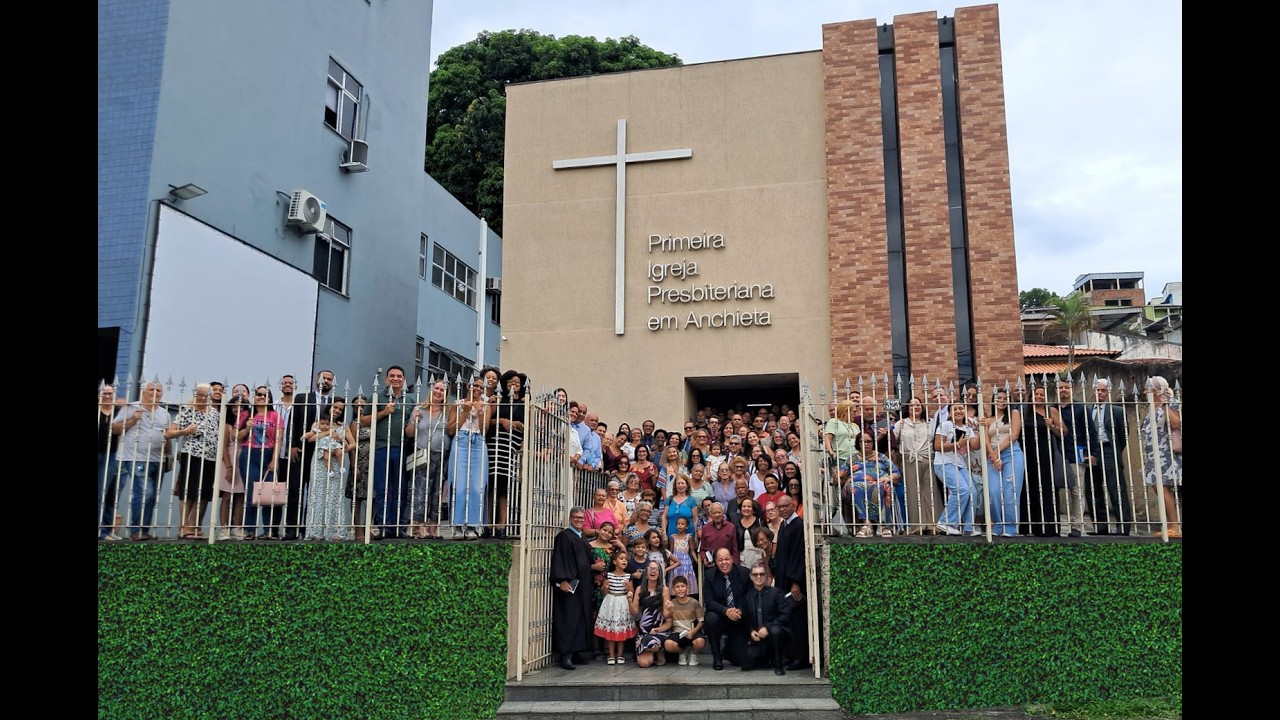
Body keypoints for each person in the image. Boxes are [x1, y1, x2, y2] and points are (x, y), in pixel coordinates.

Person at [113, 381, 173, 541]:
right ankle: (136, 530)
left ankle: (144, 530)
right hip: (136, 458)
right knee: (145, 492)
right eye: (152, 389)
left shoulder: (165, 414)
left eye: (158, 391)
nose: (155, 393)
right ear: (144, 392)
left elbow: (167, 436)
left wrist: (169, 455)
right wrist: (133, 419)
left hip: (157, 459)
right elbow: (115, 429)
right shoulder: (131, 408)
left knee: (152, 497)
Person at [362, 366, 413, 540]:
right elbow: (364, 421)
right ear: (386, 379)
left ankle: (397, 527)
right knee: (382, 488)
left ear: (403, 380)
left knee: (401, 489)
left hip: (402, 448)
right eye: (392, 376)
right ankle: (383, 525)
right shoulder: (376, 397)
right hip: (381, 447)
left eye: (399, 376)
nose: (395, 379)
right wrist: (384, 412)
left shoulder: (410, 400)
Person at [165, 383, 222, 539]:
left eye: (206, 395)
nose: (203, 398)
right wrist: (186, 431)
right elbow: (169, 433)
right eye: (200, 395)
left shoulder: (215, 413)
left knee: (204, 493)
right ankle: (184, 527)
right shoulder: (187, 411)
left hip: (210, 457)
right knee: (188, 491)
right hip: (192, 455)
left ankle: (194, 526)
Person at [284, 370, 335, 540]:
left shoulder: (334, 402)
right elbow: (293, 422)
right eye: (323, 378)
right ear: (316, 380)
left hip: (322, 452)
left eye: (329, 379)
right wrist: (292, 445)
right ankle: (292, 528)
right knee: (296, 489)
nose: (326, 381)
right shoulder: (302, 398)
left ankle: (309, 529)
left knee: (315, 492)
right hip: (302, 449)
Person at [551, 507, 601, 670]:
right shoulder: (564, 537)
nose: (579, 520)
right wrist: (562, 580)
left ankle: (577, 651)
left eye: (581, 518)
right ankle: (565, 654)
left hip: (583, 585)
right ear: (570, 518)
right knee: (569, 618)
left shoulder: (581, 537)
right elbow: (561, 560)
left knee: (581, 618)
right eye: (576, 517)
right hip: (570, 585)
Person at [448, 376, 492, 540]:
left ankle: (472, 525)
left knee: (476, 485)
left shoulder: (486, 405)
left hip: (478, 441)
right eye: (475, 386)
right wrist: (466, 411)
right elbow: (451, 429)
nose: (478, 389)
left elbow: (484, 430)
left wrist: (479, 412)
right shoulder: (458, 404)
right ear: (468, 386)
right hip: (461, 440)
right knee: (459, 484)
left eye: (481, 387)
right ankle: (458, 525)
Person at [1087, 378, 1132, 536]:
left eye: (1103, 390)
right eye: (1098, 390)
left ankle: (1123, 527)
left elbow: (1123, 435)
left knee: (1116, 488)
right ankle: (1100, 527)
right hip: (1091, 452)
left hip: (1108, 450)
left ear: (1108, 392)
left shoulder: (1117, 411)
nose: (1100, 393)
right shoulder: (1087, 410)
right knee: (1093, 489)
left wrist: (1114, 450)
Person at [236, 386, 283, 540]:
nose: (262, 397)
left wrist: (274, 459)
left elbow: (279, 439)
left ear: (269, 398)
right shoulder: (246, 415)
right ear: (254, 397)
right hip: (249, 454)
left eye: (265, 395)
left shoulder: (275, 415)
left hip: (268, 453)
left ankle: (268, 530)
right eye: (259, 394)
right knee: (251, 492)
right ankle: (249, 530)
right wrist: (246, 428)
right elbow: (236, 436)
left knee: (269, 494)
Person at [406, 381, 451, 539]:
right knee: (420, 490)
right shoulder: (419, 409)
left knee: (437, 492)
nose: (438, 392)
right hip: (423, 454)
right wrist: (414, 420)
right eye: (436, 388)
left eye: (442, 390)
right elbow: (409, 433)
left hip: (442, 455)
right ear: (431, 390)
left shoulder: (448, 412)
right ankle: (420, 526)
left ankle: (433, 527)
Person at [1054, 377, 1096, 537]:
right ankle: (1054, 525)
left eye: (1066, 387)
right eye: (1060, 388)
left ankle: (1077, 526)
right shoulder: (1052, 408)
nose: (1063, 390)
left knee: (1077, 491)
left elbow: (1091, 431)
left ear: (1071, 389)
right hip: (1056, 454)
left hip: (1076, 454)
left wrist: (1093, 453)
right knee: (1054, 490)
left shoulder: (1080, 408)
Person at [893, 396, 941, 535]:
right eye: (912, 405)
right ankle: (917, 525)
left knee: (931, 491)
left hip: (927, 459)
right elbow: (893, 440)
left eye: (918, 405)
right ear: (907, 409)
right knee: (913, 492)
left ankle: (933, 524)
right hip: (909, 460)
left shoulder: (930, 423)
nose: (916, 407)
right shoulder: (901, 424)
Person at [486, 370, 526, 538]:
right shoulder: (498, 400)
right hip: (495, 445)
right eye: (510, 381)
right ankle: (489, 525)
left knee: (505, 488)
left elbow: (528, 427)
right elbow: (487, 421)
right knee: (491, 486)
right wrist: (502, 421)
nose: (513, 384)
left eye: (516, 382)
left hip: (511, 448)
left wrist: (517, 424)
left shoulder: (524, 404)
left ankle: (502, 525)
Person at [981, 389, 1025, 538]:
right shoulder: (989, 420)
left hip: (1011, 453)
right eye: (998, 398)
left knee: (1010, 491)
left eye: (1005, 398)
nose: (1001, 401)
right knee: (993, 492)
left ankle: (1010, 527)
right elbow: (986, 439)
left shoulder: (1014, 414)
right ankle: (998, 524)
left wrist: (997, 452)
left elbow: (1014, 435)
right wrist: (993, 456)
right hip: (992, 456)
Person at [1142, 376, 1182, 538]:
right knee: (1158, 487)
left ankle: (1175, 526)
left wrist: (1165, 403)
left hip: (1166, 454)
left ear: (1157, 391)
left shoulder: (1171, 403)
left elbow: (1176, 423)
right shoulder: (1152, 407)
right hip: (1153, 455)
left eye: (1148, 389)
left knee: (1163, 487)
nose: (1145, 392)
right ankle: (1170, 525)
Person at [1021, 385, 1063, 538]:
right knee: (1029, 488)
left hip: (1046, 454)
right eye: (1036, 394)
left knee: (1047, 488)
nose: (1039, 397)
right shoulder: (1024, 412)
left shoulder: (1051, 411)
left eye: (1042, 394)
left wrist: (1052, 426)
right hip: (1028, 455)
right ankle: (1030, 527)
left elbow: (1063, 431)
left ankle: (1050, 527)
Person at [773, 495, 809, 670]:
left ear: (793, 506)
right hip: (782, 581)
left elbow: (798, 555)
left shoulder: (798, 526)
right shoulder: (783, 525)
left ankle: (801, 658)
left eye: (785, 506)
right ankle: (790, 654)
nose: (782, 510)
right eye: (779, 507)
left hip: (794, 584)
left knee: (797, 621)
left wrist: (796, 582)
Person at [934, 402, 980, 536]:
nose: (958, 411)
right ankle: (946, 522)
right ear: (949, 413)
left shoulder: (968, 429)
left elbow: (975, 445)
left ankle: (968, 527)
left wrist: (981, 429)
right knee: (961, 490)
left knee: (973, 492)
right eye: (955, 409)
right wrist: (958, 444)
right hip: (944, 463)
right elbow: (937, 446)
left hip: (960, 464)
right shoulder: (945, 425)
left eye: (961, 408)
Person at [304, 410, 349, 541]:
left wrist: (339, 449)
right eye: (335, 407)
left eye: (340, 409)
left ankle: (334, 531)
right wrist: (328, 433)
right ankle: (316, 531)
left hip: (336, 463)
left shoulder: (343, 426)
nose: (337, 410)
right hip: (320, 461)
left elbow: (351, 443)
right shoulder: (317, 424)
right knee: (318, 494)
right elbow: (310, 439)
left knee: (334, 495)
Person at [703, 547, 751, 670]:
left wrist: (740, 609)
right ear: (716, 561)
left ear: (732, 559)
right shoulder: (709, 575)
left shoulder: (744, 573)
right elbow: (709, 602)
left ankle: (728, 650)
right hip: (720, 616)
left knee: (739, 660)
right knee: (710, 619)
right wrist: (726, 611)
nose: (724, 562)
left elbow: (749, 597)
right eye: (720, 560)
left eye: (726, 559)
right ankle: (717, 658)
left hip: (739, 618)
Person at [846, 433, 902, 538]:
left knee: (882, 487)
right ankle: (866, 524)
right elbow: (841, 474)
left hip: (879, 482)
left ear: (873, 443)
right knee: (856, 488)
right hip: (856, 483)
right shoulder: (852, 458)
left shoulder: (881, 457)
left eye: (869, 441)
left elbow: (896, 473)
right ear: (858, 443)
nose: (866, 444)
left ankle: (883, 525)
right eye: (863, 442)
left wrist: (888, 478)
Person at [743, 562, 792, 675]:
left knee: (775, 631)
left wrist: (768, 628)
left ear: (766, 576)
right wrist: (751, 631)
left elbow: (785, 615)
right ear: (751, 577)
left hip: (777, 634)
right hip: (758, 637)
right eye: (755, 574)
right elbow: (746, 618)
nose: (758, 577)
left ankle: (779, 666)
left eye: (761, 574)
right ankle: (766, 659)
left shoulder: (776, 593)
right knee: (746, 664)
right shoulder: (748, 596)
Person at [217, 383, 251, 541]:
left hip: (244, 461)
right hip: (230, 461)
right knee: (227, 496)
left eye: (241, 407)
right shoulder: (227, 426)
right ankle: (224, 529)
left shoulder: (248, 424)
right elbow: (223, 447)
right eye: (235, 407)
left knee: (240, 496)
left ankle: (237, 528)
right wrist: (229, 466)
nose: (238, 410)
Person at [595, 550, 637, 665]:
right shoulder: (609, 575)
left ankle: (620, 655)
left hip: (623, 603)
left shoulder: (628, 576)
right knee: (611, 629)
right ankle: (611, 655)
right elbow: (603, 592)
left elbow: (632, 591)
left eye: (625, 559)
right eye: (621, 559)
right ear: (614, 562)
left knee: (620, 629)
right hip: (611, 603)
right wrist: (605, 586)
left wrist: (628, 588)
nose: (624, 561)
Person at [824, 400, 860, 529]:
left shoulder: (855, 426)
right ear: (845, 411)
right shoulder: (833, 422)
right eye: (853, 411)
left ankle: (858, 522)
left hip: (856, 460)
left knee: (855, 490)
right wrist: (831, 452)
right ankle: (849, 524)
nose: (855, 413)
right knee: (843, 492)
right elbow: (827, 438)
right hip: (841, 459)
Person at [630, 560, 672, 668]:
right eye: (651, 569)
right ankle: (651, 653)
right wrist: (629, 601)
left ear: (659, 573)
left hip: (659, 629)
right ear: (646, 572)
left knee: (652, 644)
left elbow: (667, 616)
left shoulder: (664, 589)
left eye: (656, 569)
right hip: (644, 631)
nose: (653, 571)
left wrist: (671, 609)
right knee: (643, 664)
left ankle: (659, 651)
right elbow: (634, 613)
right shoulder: (639, 589)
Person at [345, 394, 373, 541]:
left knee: (373, 496)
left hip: (373, 463)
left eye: (363, 406)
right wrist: (354, 466)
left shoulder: (373, 421)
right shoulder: (355, 424)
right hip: (360, 463)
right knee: (357, 496)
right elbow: (352, 447)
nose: (360, 408)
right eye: (357, 406)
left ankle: (369, 526)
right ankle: (358, 529)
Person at [98, 384, 123, 541]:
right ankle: (101, 531)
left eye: (110, 393)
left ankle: (106, 529)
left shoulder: (118, 411)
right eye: (104, 393)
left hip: (112, 454)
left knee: (110, 493)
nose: (107, 396)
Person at [663, 575, 706, 665]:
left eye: (683, 586)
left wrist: (693, 631)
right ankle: (682, 652)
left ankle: (693, 653)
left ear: (687, 588)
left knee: (700, 642)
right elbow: (667, 618)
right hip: (678, 633)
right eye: (677, 587)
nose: (680, 589)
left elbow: (701, 621)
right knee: (668, 644)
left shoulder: (694, 602)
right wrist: (670, 611)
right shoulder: (672, 603)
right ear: (673, 590)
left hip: (691, 631)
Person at [666, 516, 698, 597]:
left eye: (682, 524)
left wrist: (697, 560)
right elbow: (671, 551)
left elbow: (692, 551)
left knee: (685, 579)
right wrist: (670, 561)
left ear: (686, 526)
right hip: (676, 562)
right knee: (676, 579)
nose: (680, 525)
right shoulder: (673, 537)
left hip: (686, 563)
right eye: (678, 524)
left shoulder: (688, 537)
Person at [661, 474, 699, 539]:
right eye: (678, 483)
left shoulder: (691, 500)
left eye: (682, 483)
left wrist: (696, 536)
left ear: (687, 485)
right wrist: (664, 533)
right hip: (672, 535)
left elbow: (695, 519)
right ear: (675, 486)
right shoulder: (670, 500)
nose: (680, 485)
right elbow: (664, 517)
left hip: (688, 536)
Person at [734, 498, 763, 569]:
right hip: (743, 561)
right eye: (744, 506)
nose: (746, 508)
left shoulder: (760, 522)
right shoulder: (736, 524)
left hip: (758, 559)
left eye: (749, 506)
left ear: (753, 509)